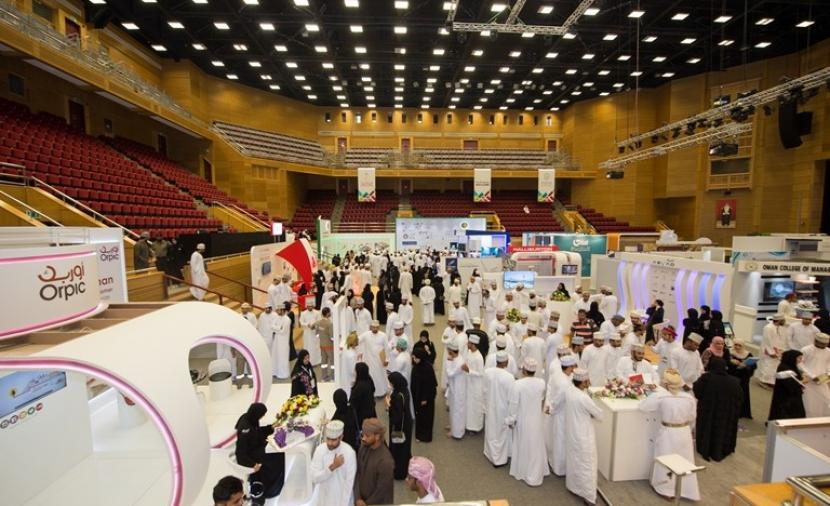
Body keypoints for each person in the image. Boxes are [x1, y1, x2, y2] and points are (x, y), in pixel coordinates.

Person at [639, 369, 700, 501]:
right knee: (685, 460)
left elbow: (643, 407)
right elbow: (692, 417)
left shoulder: (661, 397)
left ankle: (665, 489)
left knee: (665, 459)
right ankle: (687, 490)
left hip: (668, 432)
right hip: (684, 432)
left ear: (665, 383)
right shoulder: (689, 398)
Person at [506, 358, 549, 487]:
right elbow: (541, 399)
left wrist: (510, 420)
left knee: (524, 444)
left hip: (523, 419)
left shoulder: (517, 384)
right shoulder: (541, 383)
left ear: (524, 370)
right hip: (536, 419)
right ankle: (536, 472)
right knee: (536, 444)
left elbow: (513, 405)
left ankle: (526, 472)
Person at [692, 357, 742, 462]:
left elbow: (697, 391)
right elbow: (740, 398)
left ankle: (705, 448)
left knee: (707, 429)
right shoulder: (734, 381)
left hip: (708, 412)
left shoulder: (706, 378)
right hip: (726, 414)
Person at [564, 368, 602, 504]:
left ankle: (574, 487)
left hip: (573, 433)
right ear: (582, 382)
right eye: (587, 380)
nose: (589, 382)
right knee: (587, 465)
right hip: (583, 436)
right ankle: (589, 496)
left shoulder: (570, 391)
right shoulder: (583, 397)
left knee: (575, 461)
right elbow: (599, 414)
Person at [235, 403, 285, 505]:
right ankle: (270, 488)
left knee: (278, 452)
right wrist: (252, 464)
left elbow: (256, 432)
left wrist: (271, 427)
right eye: (262, 414)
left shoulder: (249, 418)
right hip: (250, 456)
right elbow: (240, 452)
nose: (263, 416)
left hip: (254, 448)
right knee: (277, 456)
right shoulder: (245, 429)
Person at [310, 420, 357, 506]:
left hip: (342, 500)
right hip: (323, 498)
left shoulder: (349, 453)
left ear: (341, 437)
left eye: (334, 440)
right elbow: (314, 478)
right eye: (328, 439)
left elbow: (349, 484)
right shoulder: (320, 450)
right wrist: (332, 467)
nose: (330, 443)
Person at [545, 353, 578, 476]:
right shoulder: (565, 383)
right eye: (573, 366)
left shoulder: (558, 374)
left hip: (555, 410)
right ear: (569, 367)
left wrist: (548, 404)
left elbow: (549, 389)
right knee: (560, 439)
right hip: (561, 413)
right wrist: (552, 409)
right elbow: (558, 400)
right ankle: (559, 468)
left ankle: (554, 461)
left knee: (555, 437)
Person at [483, 350, 515, 466]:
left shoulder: (487, 372)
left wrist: (484, 406)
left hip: (490, 406)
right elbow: (512, 397)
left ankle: (489, 453)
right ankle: (499, 460)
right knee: (501, 433)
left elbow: (484, 390)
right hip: (503, 409)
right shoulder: (509, 377)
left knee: (491, 430)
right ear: (506, 362)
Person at [354, 418, 395, 505]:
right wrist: (358, 497)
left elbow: (382, 490)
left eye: (367, 436)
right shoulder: (364, 446)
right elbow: (357, 472)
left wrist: (366, 503)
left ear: (377, 436)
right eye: (363, 435)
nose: (363, 438)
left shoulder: (385, 461)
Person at [387, 372, 413, 480]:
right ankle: (406, 468)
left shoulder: (397, 395)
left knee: (398, 449)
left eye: (390, 382)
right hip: (407, 424)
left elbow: (396, 416)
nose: (389, 384)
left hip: (399, 427)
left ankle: (399, 473)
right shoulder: (404, 390)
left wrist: (388, 406)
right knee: (405, 448)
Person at [768, 350, 806, 421]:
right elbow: (790, 384)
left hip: (789, 397)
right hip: (785, 398)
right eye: (799, 358)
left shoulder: (791, 366)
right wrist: (802, 382)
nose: (800, 360)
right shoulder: (784, 368)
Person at [410, 347, 437, 442]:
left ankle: (425, 436)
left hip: (425, 398)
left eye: (416, 358)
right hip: (417, 396)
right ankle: (419, 434)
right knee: (419, 416)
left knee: (426, 417)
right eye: (413, 358)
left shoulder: (427, 368)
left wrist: (424, 398)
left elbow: (430, 385)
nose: (414, 360)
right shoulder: (417, 366)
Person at [800, 332, 830, 417]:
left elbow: (828, 364)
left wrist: (828, 374)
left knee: (826, 399)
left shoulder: (828, 351)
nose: (823, 345)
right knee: (808, 402)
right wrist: (812, 375)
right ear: (815, 341)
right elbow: (800, 364)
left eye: (825, 344)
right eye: (821, 343)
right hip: (808, 380)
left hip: (822, 380)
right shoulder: (806, 349)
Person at [757, 313, 790, 386]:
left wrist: (782, 350)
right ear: (779, 320)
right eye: (783, 320)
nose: (784, 321)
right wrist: (771, 352)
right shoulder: (768, 327)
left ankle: (770, 381)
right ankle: (763, 380)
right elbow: (768, 341)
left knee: (774, 367)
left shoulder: (780, 327)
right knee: (767, 366)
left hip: (778, 350)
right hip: (768, 350)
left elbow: (782, 339)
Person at [728, 339, 757, 419]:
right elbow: (725, 363)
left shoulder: (748, 354)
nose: (737, 347)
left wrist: (746, 366)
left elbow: (753, 366)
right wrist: (731, 362)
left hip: (743, 378)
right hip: (732, 377)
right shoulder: (729, 352)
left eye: (739, 345)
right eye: (736, 345)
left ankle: (741, 412)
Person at [358, 321, 389, 396]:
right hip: (369, 361)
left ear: (379, 327)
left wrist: (387, 359)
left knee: (380, 376)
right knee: (371, 376)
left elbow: (387, 348)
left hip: (379, 362)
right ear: (371, 327)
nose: (375, 329)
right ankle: (371, 392)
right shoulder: (366, 335)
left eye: (376, 327)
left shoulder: (383, 336)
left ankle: (381, 392)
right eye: (373, 327)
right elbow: (357, 340)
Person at [463, 334, 485, 432]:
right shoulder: (469, 352)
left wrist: (469, 371)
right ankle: (467, 425)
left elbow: (481, 373)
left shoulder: (479, 357)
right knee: (468, 405)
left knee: (475, 406)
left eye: (469, 343)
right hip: (468, 382)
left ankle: (475, 427)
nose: (467, 344)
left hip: (476, 385)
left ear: (473, 344)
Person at [445, 341, 467, 439]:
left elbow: (450, 373)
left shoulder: (459, 362)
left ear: (452, 351)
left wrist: (448, 362)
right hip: (454, 388)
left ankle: (457, 432)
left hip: (458, 390)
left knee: (457, 411)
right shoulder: (456, 358)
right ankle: (453, 427)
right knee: (453, 409)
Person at [350, 363, 377, 428]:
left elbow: (353, 402)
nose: (354, 372)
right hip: (371, 410)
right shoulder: (368, 379)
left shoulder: (359, 387)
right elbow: (373, 389)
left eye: (355, 370)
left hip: (362, 415)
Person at [271, 304, 292, 379]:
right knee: (275, 356)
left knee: (282, 358)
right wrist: (279, 328)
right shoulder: (276, 317)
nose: (277, 312)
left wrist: (276, 329)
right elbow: (271, 326)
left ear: (283, 310)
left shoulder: (287, 319)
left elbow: (283, 331)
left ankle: (283, 374)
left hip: (283, 342)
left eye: (278, 310)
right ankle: (275, 372)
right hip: (276, 341)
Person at [300, 302, 322, 367]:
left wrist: (314, 326)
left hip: (315, 333)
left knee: (316, 346)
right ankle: (307, 361)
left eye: (311, 306)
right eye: (309, 306)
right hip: (307, 333)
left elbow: (319, 321)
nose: (310, 307)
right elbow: (301, 322)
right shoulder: (303, 313)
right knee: (307, 346)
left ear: (313, 306)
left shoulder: (317, 313)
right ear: (307, 306)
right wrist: (307, 324)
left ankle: (317, 361)